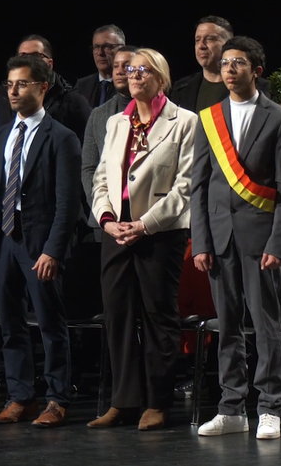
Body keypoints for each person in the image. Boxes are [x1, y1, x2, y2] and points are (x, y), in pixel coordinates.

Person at [191, 36, 281, 440]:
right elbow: (199, 186)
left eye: (238, 62)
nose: (229, 69)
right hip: (219, 238)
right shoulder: (209, 118)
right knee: (227, 325)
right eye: (225, 63)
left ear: (257, 70)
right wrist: (201, 242)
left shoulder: (280, 118)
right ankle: (231, 407)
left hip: (260, 238)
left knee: (266, 324)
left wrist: (278, 243)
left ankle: (270, 407)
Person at [88, 48, 197, 431]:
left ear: (161, 79)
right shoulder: (117, 122)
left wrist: (145, 224)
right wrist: (106, 220)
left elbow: (185, 186)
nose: (134, 75)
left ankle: (157, 402)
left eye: (143, 70)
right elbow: (102, 178)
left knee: (158, 316)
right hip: (116, 232)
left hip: (160, 233)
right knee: (117, 315)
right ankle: (123, 400)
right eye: (131, 70)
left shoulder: (185, 122)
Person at [0, 54, 81, 428]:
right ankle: (20, 397)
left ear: (43, 87)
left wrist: (53, 249)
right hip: (4, 238)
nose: (13, 91)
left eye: (22, 83)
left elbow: (68, 202)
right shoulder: (0, 135)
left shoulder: (62, 137)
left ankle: (56, 399)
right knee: (10, 324)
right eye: (10, 84)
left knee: (50, 324)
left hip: (39, 242)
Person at [81, 45, 137, 240]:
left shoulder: (159, 113)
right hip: (106, 221)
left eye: (127, 66)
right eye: (116, 66)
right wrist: (102, 211)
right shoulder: (98, 115)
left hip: (145, 222)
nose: (120, 71)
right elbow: (89, 168)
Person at [0, 35, 92, 144]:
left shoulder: (73, 103)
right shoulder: (2, 99)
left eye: (36, 56)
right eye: (23, 56)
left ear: (49, 64)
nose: (28, 62)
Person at [169, 16, 270, 113]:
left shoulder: (259, 87)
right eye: (197, 40)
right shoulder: (182, 88)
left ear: (229, 43)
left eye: (210, 39)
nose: (201, 46)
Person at [75, 24, 126, 108]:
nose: (100, 53)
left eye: (107, 47)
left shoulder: (131, 85)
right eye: (96, 47)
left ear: (122, 49)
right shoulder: (81, 86)